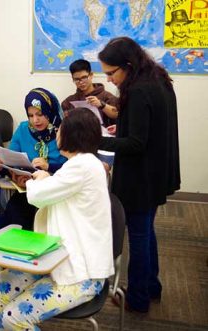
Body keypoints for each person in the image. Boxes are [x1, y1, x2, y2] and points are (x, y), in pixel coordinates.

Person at [0, 108, 114, 330]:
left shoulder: (81, 166)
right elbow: (50, 192)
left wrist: (39, 179)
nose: (57, 132)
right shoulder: (81, 165)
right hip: (56, 258)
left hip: (81, 274)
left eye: (61, 128)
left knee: (13, 317)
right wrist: (42, 178)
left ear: (72, 134)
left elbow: (37, 196)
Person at [98, 36, 180, 313]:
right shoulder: (157, 79)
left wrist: (95, 140)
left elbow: (136, 144)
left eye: (111, 73)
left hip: (141, 176)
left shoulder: (138, 90)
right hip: (156, 173)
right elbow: (145, 129)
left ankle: (138, 298)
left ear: (128, 65)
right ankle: (151, 286)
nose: (108, 79)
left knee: (139, 237)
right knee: (146, 231)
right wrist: (120, 129)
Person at [0, 88, 66, 230]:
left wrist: (49, 167)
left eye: (40, 114)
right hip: (27, 190)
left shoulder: (63, 131)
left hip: (55, 193)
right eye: (31, 115)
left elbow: (72, 166)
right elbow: (11, 160)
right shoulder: (23, 129)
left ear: (50, 111)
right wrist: (3, 169)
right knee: (11, 218)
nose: (35, 120)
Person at [61, 59, 119, 127]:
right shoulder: (68, 101)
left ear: (91, 75)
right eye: (77, 79)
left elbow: (117, 115)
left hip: (102, 135)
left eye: (84, 77)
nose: (81, 82)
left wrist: (102, 105)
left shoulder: (107, 96)